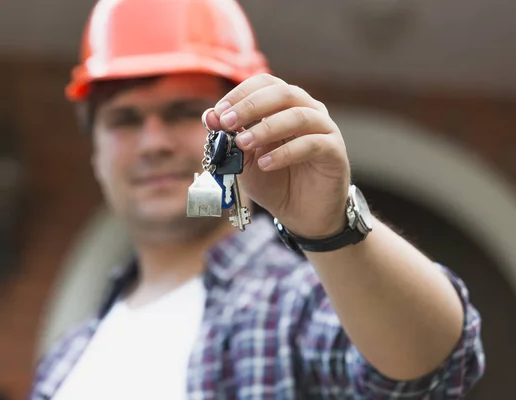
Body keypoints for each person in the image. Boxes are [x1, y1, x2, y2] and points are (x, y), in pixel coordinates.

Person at [30, 0, 485, 398]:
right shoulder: (68, 354)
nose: (154, 143)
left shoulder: (293, 301)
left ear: (242, 123)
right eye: (125, 120)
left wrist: (333, 230)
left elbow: (438, 368)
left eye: (184, 112)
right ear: (95, 154)